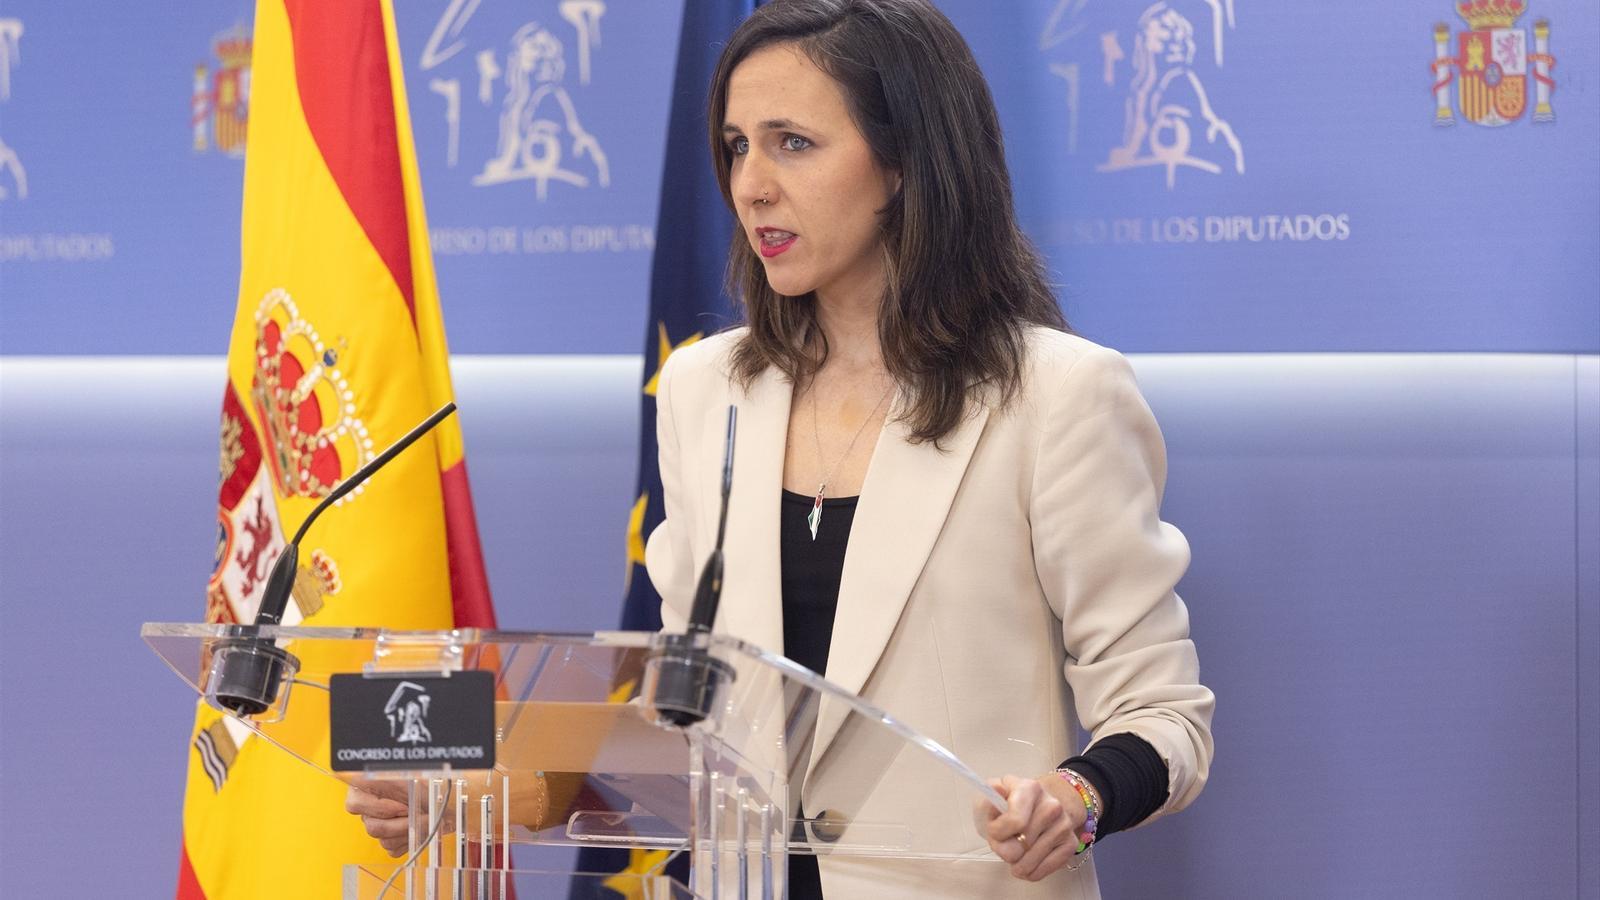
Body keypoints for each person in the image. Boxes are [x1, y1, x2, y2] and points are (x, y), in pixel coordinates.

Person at [349, 2, 1213, 896]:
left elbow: (1163, 716)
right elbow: (684, 712)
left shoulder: (1057, 396)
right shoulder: (703, 389)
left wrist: (1078, 794)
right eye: (735, 146)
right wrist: (501, 792)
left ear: (906, 162)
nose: (751, 185)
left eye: (792, 143)